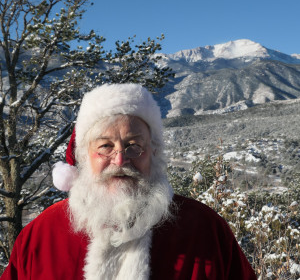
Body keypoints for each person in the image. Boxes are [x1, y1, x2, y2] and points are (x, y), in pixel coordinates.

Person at [1, 84, 257, 280]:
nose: (120, 159)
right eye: (105, 146)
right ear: (83, 156)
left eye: (134, 145)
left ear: (154, 153)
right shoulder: (42, 235)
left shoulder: (204, 229)